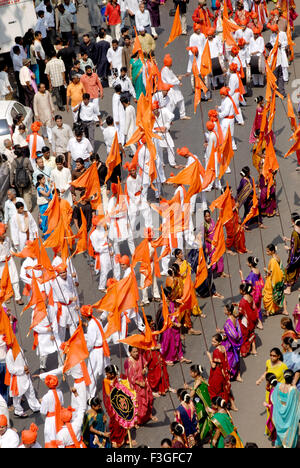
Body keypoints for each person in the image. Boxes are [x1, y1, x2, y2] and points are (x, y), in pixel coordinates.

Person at [124, 346, 157, 426]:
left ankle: (149, 415)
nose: (136, 353)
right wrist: (139, 383)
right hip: (136, 385)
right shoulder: (128, 362)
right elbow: (130, 377)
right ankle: (138, 420)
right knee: (139, 403)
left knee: (149, 399)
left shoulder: (140, 357)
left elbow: (145, 365)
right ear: (130, 353)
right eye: (134, 352)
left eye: (137, 351)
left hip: (144, 381)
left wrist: (145, 369)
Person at [207, 333, 238, 411]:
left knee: (215, 390)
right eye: (212, 341)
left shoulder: (216, 352)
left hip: (217, 373)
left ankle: (220, 408)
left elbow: (213, 365)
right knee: (225, 388)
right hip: (224, 371)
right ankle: (233, 405)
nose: (212, 343)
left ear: (219, 342)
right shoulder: (223, 347)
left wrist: (209, 357)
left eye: (214, 342)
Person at [271, 369, 300, 448]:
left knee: (280, 431)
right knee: (290, 432)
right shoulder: (293, 389)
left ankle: (279, 444)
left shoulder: (278, 386)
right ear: (293, 377)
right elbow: (297, 403)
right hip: (289, 415)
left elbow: (273, 399)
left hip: (280, 415)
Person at [184, 364, 213, 442]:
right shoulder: (199, 379)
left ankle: (205, 436)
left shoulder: (198, 381)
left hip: (202, 405)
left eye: (191, 372)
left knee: (201, 420)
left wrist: (186, 397)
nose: (190, 374)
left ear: (195, 373)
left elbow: (192, 394)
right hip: (201, 401)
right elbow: (197, 390)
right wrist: (189, 387)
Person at [161, 54, 190, 121]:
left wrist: (178, 80)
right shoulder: (165, 70)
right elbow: (170, 81)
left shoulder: (168, 69)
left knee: (181, 100)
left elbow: (173, 76)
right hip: (169, 89)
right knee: (172, 104)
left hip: (174, 88)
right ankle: (167, 119)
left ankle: (182, 115)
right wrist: (178, 80)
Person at [218, 304, 243, 382]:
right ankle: (237, 375)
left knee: (230, 359)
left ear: (228, 312)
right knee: (237, 358)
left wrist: (223, 335)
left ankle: (231, 375)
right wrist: (222, 331)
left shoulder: (228, 322)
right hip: (237, 343)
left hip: (231, 344)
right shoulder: (234, 318)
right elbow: (235, 331)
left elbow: (233, 335)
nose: (224, 311)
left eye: (225, 310)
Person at [0, 223, 23, 305]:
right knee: (4, 281)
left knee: (15, 279)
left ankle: (18, 297)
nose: (4, 235)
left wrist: (12, 252)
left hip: (10, 262)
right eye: (2, 234)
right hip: (2, 265)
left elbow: (10, 248)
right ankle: (7, 296)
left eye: (4, 233)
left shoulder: (7, 239)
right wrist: (3, 258)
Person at [263, 243, 288, 316]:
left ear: (272, 251)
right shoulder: (278, 257)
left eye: (268, 251)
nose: (267, 253)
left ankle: (268, 311)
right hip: (280, 279)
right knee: (282, 294)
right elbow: (280, 269)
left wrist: (266, 270)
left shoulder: (273, 260)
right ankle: (285, 310)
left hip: (274, 281)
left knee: (267, 296)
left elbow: (272, 272)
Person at [240, 256, 265, 324]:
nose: (246, 263)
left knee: (253, 308)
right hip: (258, 291)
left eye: (247, 262)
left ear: (250, 264)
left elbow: (246, 285)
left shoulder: (251, 274)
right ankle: (259, 319)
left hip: (254, 293)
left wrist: (242, 276)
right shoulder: (257, 270)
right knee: (258, 306)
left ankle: (258, 322)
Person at [238, 283, 258, 357]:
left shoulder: (242, 301)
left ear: (243, 291)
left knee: (244, 336)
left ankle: (244, 351)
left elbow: (239, 313)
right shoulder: (250, 296)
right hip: (252, 319)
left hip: (245, 322)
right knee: (251, 333)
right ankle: (254, 349)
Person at [204, 209, 225, 278]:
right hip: (211, 243)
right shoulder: (204, 226)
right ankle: (210, 273)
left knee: (219, 256)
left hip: (216, 240)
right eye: (206, 216)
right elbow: (205, 237)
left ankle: (221, 272)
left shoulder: (212, 221)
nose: (208, 218)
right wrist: (212, 242)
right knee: (213, 258)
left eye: (209, 216)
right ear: (204, 217)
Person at [284, 215, 300, 295]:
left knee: (290, 271)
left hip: (296, 257)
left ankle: (288, 288)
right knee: (297, 271)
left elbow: (294, 248)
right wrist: (288, 239)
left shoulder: (295, 234)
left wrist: (289, 249)